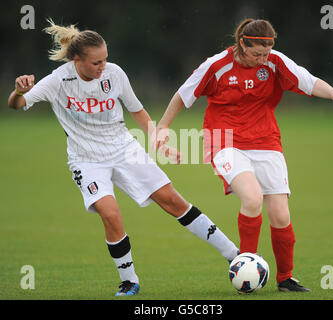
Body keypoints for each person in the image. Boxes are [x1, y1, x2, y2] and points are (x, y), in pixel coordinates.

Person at [7, 19, 240, 297]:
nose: (103, 66)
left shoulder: (115, 74)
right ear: (77, 60)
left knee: (173, 201)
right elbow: (17, 104)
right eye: (96, 63)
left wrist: (158, 140)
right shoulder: (59, 80)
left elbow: (138, 111)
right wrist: (19, 90)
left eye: (105, 59)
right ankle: (129, 281)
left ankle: (235, 255)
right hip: (87, 160)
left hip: (125, 149)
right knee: (110, 213)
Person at [155, 18, 333, 292]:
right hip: (224, 141)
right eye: (257, 54)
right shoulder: (216, 65)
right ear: (242, 45)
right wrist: (163, 126)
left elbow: (306, 81)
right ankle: (245, 269)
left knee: (281, 216)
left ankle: (285, 278)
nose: (263, 59)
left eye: (266, 53)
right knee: (251, 198)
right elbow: (183, 94)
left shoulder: (275, 61)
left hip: (266, 141)